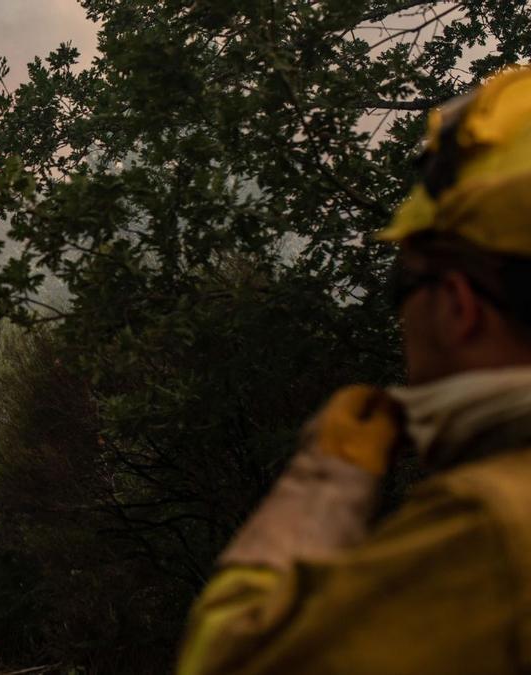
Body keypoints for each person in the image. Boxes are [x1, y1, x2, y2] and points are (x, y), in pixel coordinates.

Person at [177, 66, 531, 674]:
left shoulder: (494, 530)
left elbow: (232, 659)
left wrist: (325, 484)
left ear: (459, 305)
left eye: (402, 283)